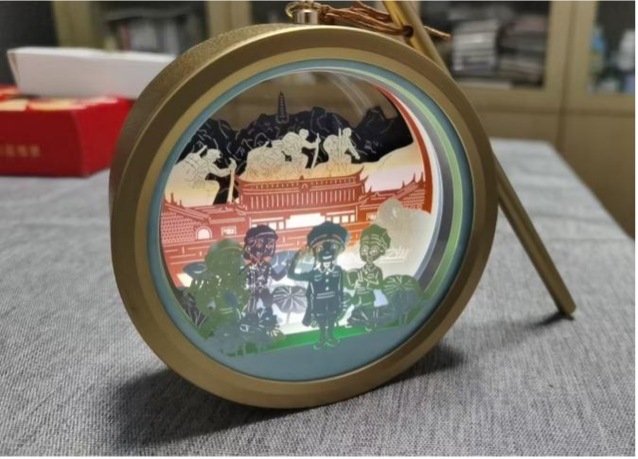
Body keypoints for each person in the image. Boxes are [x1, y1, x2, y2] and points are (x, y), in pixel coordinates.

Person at [288, 221, 348, 349]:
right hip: (319, 304)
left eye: (332, 248)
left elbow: (340, 289)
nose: (327, 255)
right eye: (320, 249)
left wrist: (341, 304)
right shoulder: (313, 273)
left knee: (331, 320)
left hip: (333, 302)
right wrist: (297, 258)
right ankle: (322, 338)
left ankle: (330, 336)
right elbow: (291, 275)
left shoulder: (338, 271)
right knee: (321, 321)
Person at [346, 224, 391, 331]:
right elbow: (352, 283)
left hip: (368, 298)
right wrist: (355, 284)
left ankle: (370, 323)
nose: (368, 254)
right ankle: (356, 322)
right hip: (358, 297)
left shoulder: (377, 270)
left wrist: (366, 283)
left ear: (381, 251)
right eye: (365, 250)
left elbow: (379, 284)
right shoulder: (360, 270)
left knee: (369, 312)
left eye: (373, 251)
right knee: (357, 311)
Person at [241, 225, 286, 317]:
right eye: (260, 244)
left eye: (270, 245)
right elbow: (240, 278)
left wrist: (287, 269)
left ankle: (267, 317)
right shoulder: (249, 267)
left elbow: (277, 277)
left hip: (263, 290)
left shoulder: (266, 266)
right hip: (252, 291)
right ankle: (251, 318)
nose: (266, 249)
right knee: (251, 309)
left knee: (268, 306)